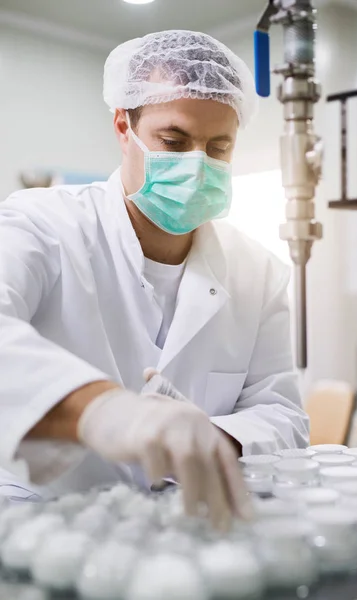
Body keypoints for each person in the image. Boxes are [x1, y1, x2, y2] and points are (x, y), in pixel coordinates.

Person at [0, 30, 308, 528]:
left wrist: (206, 436)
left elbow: (285, 417)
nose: (196, 165)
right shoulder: (42, 225)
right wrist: (104, 411)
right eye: (174, 141)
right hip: (43, 520)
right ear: (123, 126)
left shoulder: (259, 271)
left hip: (185, 525)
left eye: (218, 147)